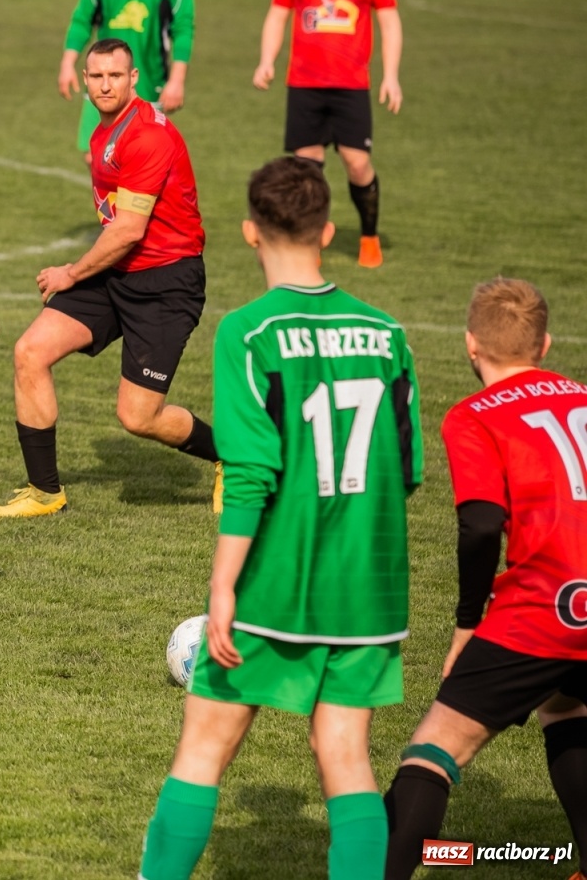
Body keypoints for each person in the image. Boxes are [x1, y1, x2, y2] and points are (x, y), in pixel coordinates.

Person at [138, 156, 422, 880]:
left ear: (248, 233)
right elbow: (408, 471)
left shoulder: (250, 332)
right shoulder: (388, 332)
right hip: (371, 585)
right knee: (346, 755)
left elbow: (252, 475)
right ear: (328, 230)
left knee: (204, 747)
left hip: (278, 577)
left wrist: (224, 587)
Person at [383, 278, 587, 880]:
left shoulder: (472, 415)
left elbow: (479, 526)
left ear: (471, 345)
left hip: (545, 605)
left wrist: (468, 623)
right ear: (545, 344)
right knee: (565, 703)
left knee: (435, 748)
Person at [0, 39, 216, 520]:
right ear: (85, 80)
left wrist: (71, 272)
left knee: (139, 417)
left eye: (116, 75)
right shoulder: (103, 129)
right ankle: (45, 493)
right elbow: (120, 228)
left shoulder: (147, 135)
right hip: (119, 272)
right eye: (96, 77)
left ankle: (234, 459)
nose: (105, 85)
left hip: (165, 283)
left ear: (134, 79)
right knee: (31, 352)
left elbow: (130, 229)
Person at [253, 0, 403, 269]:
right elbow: (277, 15)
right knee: (306, 170)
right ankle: (309, 244)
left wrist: (391, 76)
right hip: (304, 83)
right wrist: (266, 61)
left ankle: (368, 236)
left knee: (356, 163)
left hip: (351, 85)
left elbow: (389, 22)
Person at [59, 0, 196, 167]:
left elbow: (184, 31)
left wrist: (177, 81)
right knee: (97, 158)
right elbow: (81, 21)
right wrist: (67, 64)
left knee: (141, 161)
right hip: (104, 82)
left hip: (149, 84)